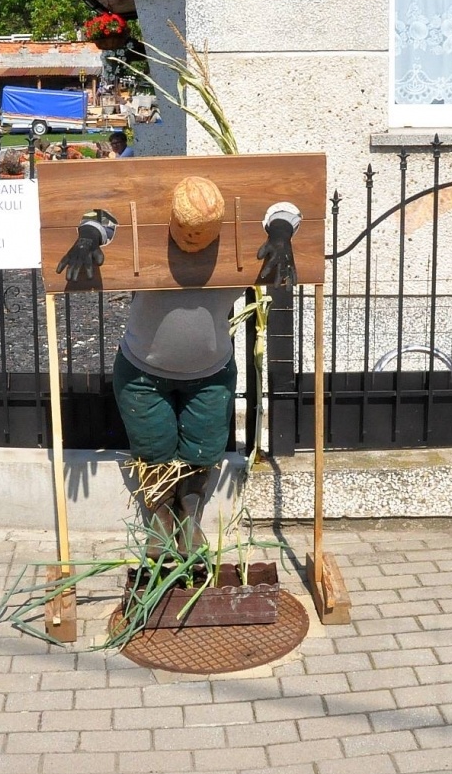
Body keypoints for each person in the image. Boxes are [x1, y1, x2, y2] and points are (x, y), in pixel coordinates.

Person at [56, 176, 300, 556]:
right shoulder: (143, 235)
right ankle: (159, 520)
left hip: (211, 373)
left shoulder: (244, 239)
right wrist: (88, 234)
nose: (190, 239)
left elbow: (286, 205)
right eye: (184, 228)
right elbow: (104, 215)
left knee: (203, 449)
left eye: (200, 231)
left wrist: (282, 233)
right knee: (153, 448)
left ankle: (189, 517)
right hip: (141, 372)